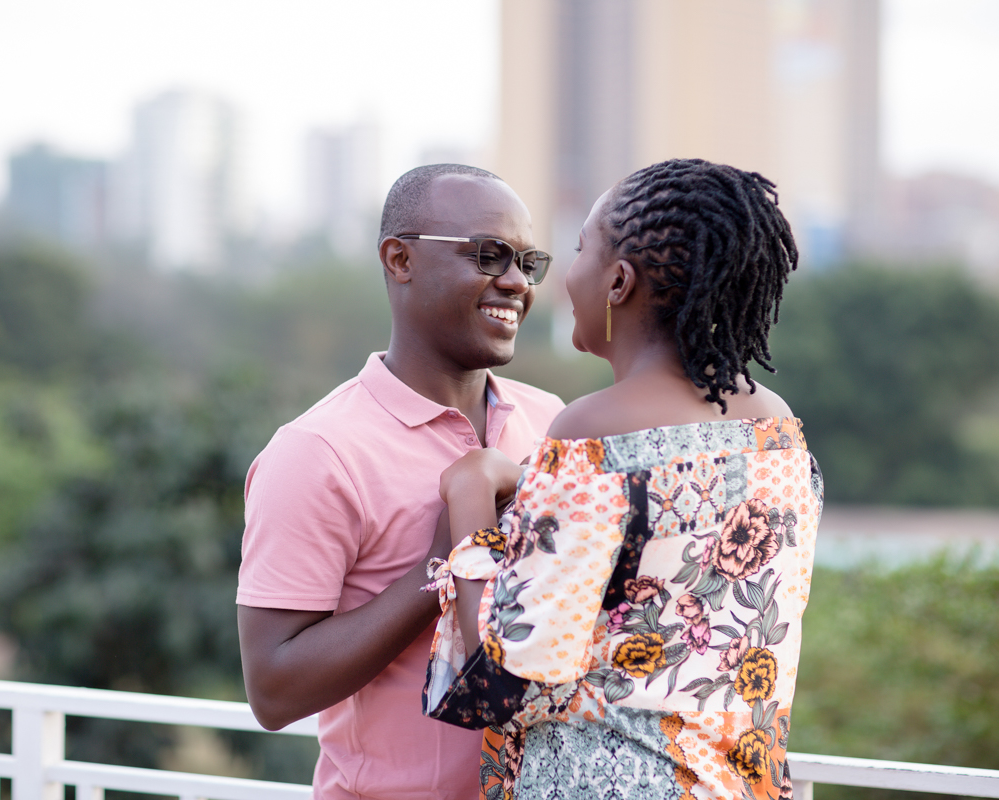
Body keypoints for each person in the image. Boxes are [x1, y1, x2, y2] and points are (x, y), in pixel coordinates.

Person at [424, 159, 823, 800]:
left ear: (618, 282)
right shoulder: (777, 432)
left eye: (580, 249)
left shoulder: (591, 435)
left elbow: (501, 675)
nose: (561, 277)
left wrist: (470, 491)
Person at [237, 164, 566, 800]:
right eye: (489, 255)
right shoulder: (318, 452)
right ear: (399, 259)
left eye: (530, 261)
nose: (516, 282)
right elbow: (274, 690)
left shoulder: (552, 420)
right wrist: (444, 564)